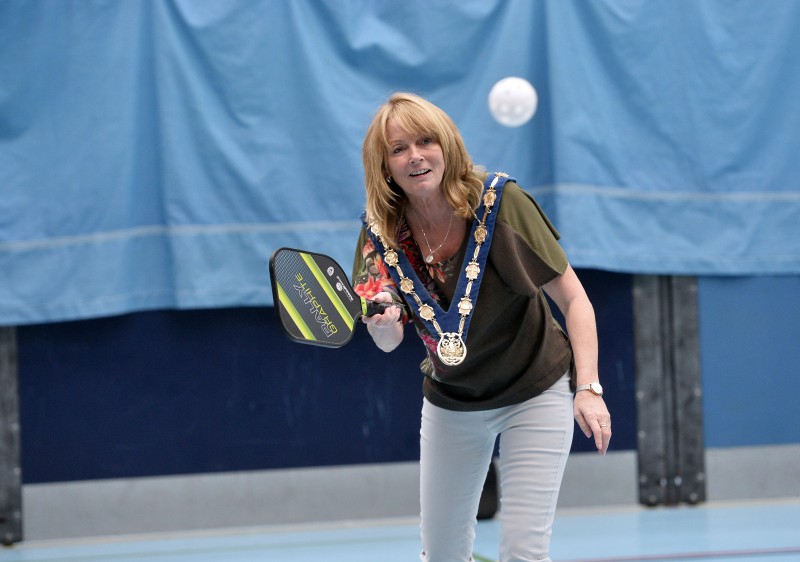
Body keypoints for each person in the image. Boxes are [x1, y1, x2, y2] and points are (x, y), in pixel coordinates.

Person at [351, 92, 611, 562]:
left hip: (534, 386)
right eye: (399, 148)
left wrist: (588, 388)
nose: (416, 156)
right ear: (384, 165)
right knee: (444, 554)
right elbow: (388, 342)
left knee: (523, 552)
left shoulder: (501, 202)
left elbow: (576, 300)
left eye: (426, 141)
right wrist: (383, 322)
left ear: (447, 145)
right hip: (453, 399)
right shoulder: (380, 230)